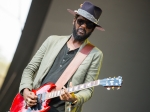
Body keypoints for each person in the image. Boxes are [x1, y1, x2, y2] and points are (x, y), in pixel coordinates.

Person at [19, 1, 104, 112]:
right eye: (81, 21)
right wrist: (26, 91)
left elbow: (88, 90)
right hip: (32, 105)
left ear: (92, 29)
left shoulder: (95, 54)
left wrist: (73, 98)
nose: (83, 26)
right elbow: (30, 69)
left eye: (89, 24)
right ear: (74, 20)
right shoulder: (51, 40)